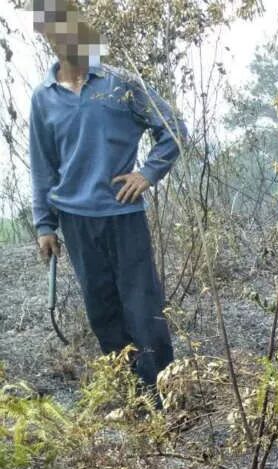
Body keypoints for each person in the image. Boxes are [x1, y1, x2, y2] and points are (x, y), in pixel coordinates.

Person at [28, 0, 187, 389]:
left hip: (123, 214)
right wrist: (45, 224)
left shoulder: (121, 84)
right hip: (76, 221)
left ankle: (163, 396)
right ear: (46, 34)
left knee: (144, 308)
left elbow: (174, 129)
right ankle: (133, 397)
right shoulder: (43, 97)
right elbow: (43, 165)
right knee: (102, 311)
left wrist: (147, 174)